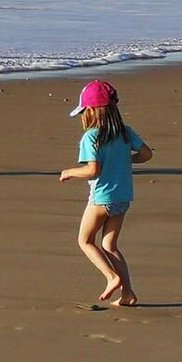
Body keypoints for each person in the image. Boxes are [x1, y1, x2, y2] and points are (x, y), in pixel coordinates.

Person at [60, 80, 152, 306]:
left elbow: (93, 170)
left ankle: (112, 277)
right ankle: (128, 293)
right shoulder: (125, 132)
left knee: (85, 240)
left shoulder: (91, 137)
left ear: (90, 111)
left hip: (101, 199)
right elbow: (146, 154)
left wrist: (70, 172)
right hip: (123, 199)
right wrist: (124, 160)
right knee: (110, 246)